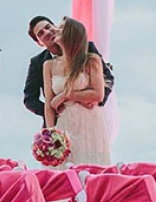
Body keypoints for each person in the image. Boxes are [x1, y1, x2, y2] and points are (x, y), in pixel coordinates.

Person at [43, 18, 111, 166]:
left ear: (71, 34)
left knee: (90, 166)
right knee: (64, 170)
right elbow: (49, 103)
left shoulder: (91, 61)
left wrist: (66, 95)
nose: (55, 30)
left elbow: (98, 94)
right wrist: (51, 133)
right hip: (65, 124)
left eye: (60, 28)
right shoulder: (49, 65)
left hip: (89, 123)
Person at [23, 15, 111, 123]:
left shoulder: (87, 49)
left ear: (55, 26)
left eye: (48, 27)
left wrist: (96, 100)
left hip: (89, 116)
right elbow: (30, 99)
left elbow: (108, 77)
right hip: (59, 122)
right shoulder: (40, 63)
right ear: (39, 43)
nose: (47, 32)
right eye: (40, 33)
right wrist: (56, 111)